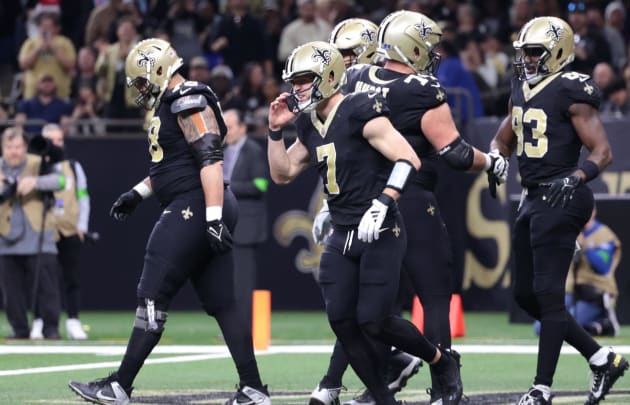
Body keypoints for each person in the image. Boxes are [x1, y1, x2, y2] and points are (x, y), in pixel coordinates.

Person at [311, 11, 509, 405]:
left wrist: (330, 204)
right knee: (432, 296)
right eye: (429, 47)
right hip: (410, 197)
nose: (433, 54)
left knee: (364, 306)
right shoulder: (422, 89)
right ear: (413, 47)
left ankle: (345, 382)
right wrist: (491, 161)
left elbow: (335, 144)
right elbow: (452, 152)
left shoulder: (352, 80)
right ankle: (445, 388)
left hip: (361, 200)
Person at [68, 38, 270, 405]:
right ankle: (253, 388)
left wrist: (210, 216)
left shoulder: (187, 97)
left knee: (152, 290)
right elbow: (172, 166)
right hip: (201, 200)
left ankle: (119, 385)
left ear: (160, 70)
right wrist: (138, 193)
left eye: (143, 81)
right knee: (223, 302)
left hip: (197, 203)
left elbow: (210, 159)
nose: (141, 90)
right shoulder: (171, 103)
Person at [268, 40, 462, 405]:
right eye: (293, 80)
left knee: (374, 320)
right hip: (342, 232)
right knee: (342, 321)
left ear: (327, 76)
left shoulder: (359, 106)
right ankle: (382, 399)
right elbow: (282, 173)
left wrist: (384, 201)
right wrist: (275, 131)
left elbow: (409, 159)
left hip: (380, 228)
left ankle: (440, 360)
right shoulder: (310, 121)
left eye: (304, 79)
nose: (296, 88)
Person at [489, 16, 629, 405]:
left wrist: (576, 178)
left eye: (535, 52)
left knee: (549, 296)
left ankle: (541, 388)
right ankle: (601, 358)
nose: (527, 60)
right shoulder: (522, 86)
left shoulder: (572, 88)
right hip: (533, 196)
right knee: (525, 295)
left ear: (558, 53)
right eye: (524, 52)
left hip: (565, 193)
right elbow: (507, 132)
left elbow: (603, 152)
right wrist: (496, 156)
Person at [0, 127, 64, 340]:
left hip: (39, 236)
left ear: (24, 147)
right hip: (6, 238)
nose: (14, 151)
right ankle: (19, 330)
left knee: (47, 289)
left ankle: (51, 329)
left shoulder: (38, 163)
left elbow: (61, 181)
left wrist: (35, 183)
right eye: (9, 147)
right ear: (3, 149)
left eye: (17, 146)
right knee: (12, 292)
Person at [28, 124, 91, 340]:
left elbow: (83, 197)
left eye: (59, 140)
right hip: (44, 231)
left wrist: (82, 225)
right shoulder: (34, 167)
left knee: (71, 277)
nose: (56, 145)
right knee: (41, 278)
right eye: (51, 141)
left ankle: (73, 320)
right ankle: (38, 321)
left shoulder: (73, 166)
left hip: (69, 230)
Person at [223, 109, 270, 332]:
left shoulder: (253, 150)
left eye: (230, 126)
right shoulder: (221, 151)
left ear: (243, 128)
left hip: (247, 225)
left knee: (243, 282)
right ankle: (232, 327)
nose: (226, 131)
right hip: (228, 225)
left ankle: (243, 328)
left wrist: (228, 186)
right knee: (229, 281)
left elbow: (262, 185)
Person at [571, 207, 622, 337]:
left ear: (593, 211)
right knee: (541, 327)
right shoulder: (571, 232)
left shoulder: (603, 234)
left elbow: (603, 267)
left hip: (595, 292)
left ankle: (605, 320)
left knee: (572, 326)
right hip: (571, 291)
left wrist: (585, 246)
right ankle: (599, 325)